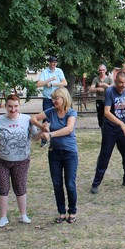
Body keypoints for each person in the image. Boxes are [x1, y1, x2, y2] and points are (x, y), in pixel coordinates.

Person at [0, 94, 42, 228]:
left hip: (21, 160)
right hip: (0, 160)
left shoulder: (27, 120)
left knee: (20, 186)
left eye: (15, 106)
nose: (13, 109)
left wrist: (43, 131)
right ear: (5, 106)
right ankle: (3, 217)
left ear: (19, 105)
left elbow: (35, 137)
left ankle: (23, 215)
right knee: (3, 187)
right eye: (10, 106)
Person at [32, 87, 80, 223]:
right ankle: (61, 212)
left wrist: (50, 134)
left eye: (56, 99)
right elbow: (33, 119)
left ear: (64, 98)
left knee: (70, 183)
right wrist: (42, 127)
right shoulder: (50, 112)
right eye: (52, 99)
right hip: (54, 153)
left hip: (70, 153)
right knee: (57, 183)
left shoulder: (71, 113)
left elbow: (69, 129)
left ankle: (72, 212)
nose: (53, 101)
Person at [90, 71, 125, 193]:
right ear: (115, 82)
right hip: (110, 128)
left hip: (123, 129)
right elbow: (106, 112)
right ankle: (96, 183)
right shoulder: (110, 91)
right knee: (105, 154)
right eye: (121, 83)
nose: (123, 85)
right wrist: (121, 123)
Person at [90, 64, 113, 129]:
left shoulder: (109, 78)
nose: (102, 71)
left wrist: (104, 84)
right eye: (100, 70)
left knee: (108, 115)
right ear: (98, 71)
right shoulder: (96, 79)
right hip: (99, 99)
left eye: (103, 70)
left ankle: (108, 129)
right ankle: (102, 129)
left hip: (108, 100)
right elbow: (91, 89)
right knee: (100, 116)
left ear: (106, 70)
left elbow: (113, 87)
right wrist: (97, 89)